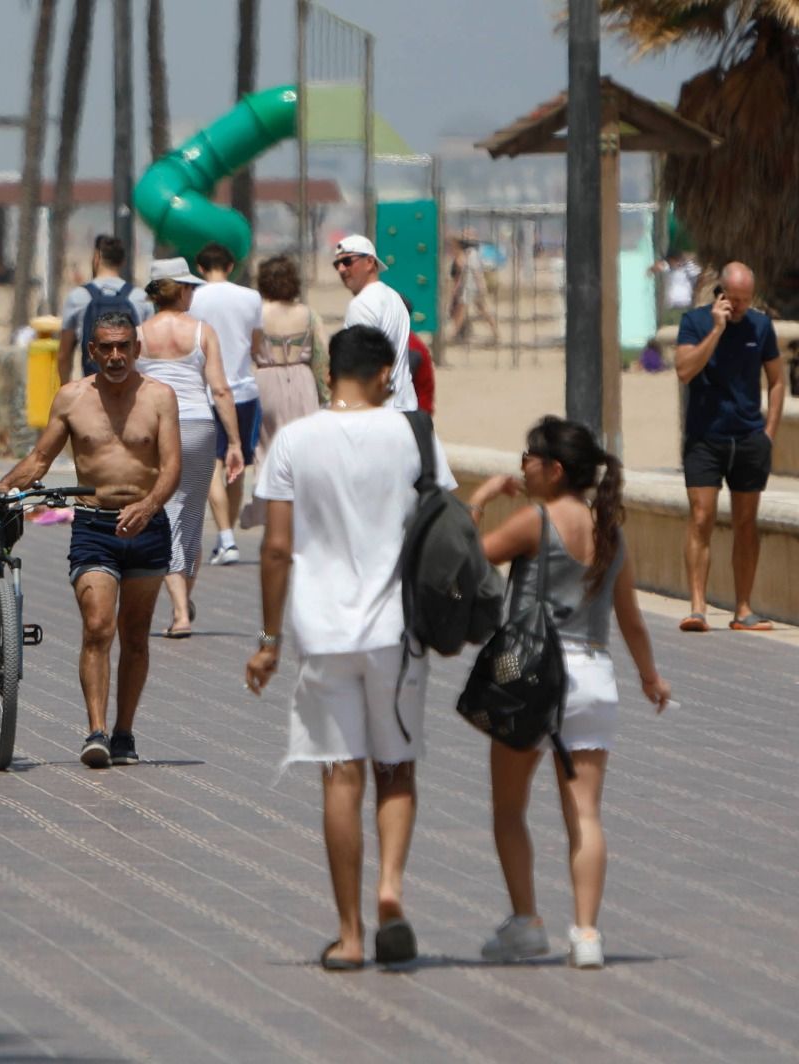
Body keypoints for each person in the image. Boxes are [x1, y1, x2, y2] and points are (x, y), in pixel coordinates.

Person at [244, 324, 453, 970]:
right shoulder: (413, 434)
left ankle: (351, 933)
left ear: (329, 370)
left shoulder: (294, 442)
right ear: (386, 372)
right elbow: (441, 522)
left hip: (322, 630)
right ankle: (390, 883)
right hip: (397, 628)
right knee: (397, 770)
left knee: (341, 772)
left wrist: (269, 640)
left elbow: (276, 548)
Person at [466, 416, 672, 970]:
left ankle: (527, 922)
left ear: (554, 469)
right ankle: (586, 934)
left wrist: (482, 496)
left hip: (534, 678)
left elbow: (470, 555)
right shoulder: (610, 531)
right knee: (584, 812)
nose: (522, 465)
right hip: (594, 678)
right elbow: (630, 618)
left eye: (529, 456)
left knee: (509, 808)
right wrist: (650, 677)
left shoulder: (536, 521)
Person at [0, 310, 179, 768]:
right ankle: (95, 731)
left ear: (137, 348)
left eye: (124, 346)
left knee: (135, 637)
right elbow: (40, 459)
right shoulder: (72, 399)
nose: (115, 356)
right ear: (91, 351)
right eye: (106, 347)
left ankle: (124, 732)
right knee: (99, 627)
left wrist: (149, 505)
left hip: (147, 526)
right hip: (95, 527)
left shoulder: (160, 398)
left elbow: (173, 466)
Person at [675, 262, 784, 632]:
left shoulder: (761, 326)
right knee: (701, 517)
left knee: (746, 523)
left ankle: (743, 609)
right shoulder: (695, 322)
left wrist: (768, 431)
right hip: (705, 438)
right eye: (732, 299)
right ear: (719, 293)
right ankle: (697, 607)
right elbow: (684, 370)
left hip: (749, 438)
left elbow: (777, 380)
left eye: (744, 300)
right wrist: (717, 330)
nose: (737, 306)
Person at [138, 258, 243, 638]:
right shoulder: (202, 332)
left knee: (166, 513)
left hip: (157, 428)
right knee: (192, 516)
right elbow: (220, 389)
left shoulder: (139, 334)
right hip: (199, 426)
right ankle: (183, 604)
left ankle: (181, 608)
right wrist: (234, 442)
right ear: (181, 290)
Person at [188, 243, 263, 567]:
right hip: (244, 390)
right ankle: (227, 536)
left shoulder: (193, 298)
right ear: (231, 266)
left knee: (212, 468)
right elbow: (256, 345)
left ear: (201, 268)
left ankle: (226, 538)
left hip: (207, 390)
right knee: (238, 468)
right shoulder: (251, 298)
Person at [255, 254, 329, 463]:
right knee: (305, 448)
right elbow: (322, 356)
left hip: (266, 379)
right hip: (302, 380)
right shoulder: (309, 315)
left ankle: (268, 493)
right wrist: (324, 393)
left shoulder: (258, 314)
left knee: (266, 450)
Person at [334, 235, 416, 410]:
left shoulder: (362, 304)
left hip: (379, 410)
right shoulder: (394, 297)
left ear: (370, 262)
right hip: (406, 403)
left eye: (347, 261)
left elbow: (360, 364)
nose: (341, 269)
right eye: (337, 264)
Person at [56, 235, 153, 385]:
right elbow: (147, 351)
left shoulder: (78, 297)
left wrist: (65, 388)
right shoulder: (140, 297)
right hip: (130, 390)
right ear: (122, 261)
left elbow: (64, 354)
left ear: (96, 258)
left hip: (93, 386)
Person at [449, 233, 500, 344]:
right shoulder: (472, 253)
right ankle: (496, 333)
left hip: (469, 288)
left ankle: (453, 335)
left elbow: (475, 273)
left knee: (461, 311)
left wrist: (481, 286)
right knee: (483, 310)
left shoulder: (469, 255)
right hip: (472, 287)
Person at [649, 249, 701, 329]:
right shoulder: (670, 268)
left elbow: (699, 274)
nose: (673, 263)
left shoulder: (688, 269)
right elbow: (657, 267)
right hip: (672, 306)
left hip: (685, 305)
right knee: (667, 327)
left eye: (673, 261)